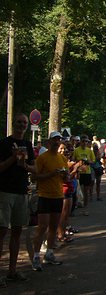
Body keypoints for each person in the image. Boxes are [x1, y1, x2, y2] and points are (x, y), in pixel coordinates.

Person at [0, 113, 35, 285]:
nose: (22, 125)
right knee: (1, 232)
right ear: (13, 124)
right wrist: (13, 158)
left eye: (24, 123)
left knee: (17, 232)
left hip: (22, 192)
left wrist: (24, 165)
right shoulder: (4, 143)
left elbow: (33, 168)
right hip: (5, 192)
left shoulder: (28, 144)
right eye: (19, 122)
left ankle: (12, 271)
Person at [32, 131, 68, 271]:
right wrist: (51, 174)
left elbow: (66, 178)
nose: (57, 142)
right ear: (49, 142)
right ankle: (36, 257)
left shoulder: (62, 159)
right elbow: (35, 178)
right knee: (42, 227)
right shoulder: (42, 158)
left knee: (53, 227)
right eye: (54, 139)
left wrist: (65, 176)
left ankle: (49, 253)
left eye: (59, 140)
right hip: (45, 196)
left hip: (58, 196)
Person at [72, 135, 95, 215]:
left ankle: (85, 209)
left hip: (87, 173)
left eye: (86, 141)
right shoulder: (76, 150)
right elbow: (73, 161)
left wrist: (88, 161)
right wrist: (79, 161)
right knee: (76, 192)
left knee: (86, 192)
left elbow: (93, 161)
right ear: (80, 142)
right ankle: (73, 208)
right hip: (78, 173)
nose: (85, 143)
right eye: (83, 141)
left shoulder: (89, 151)